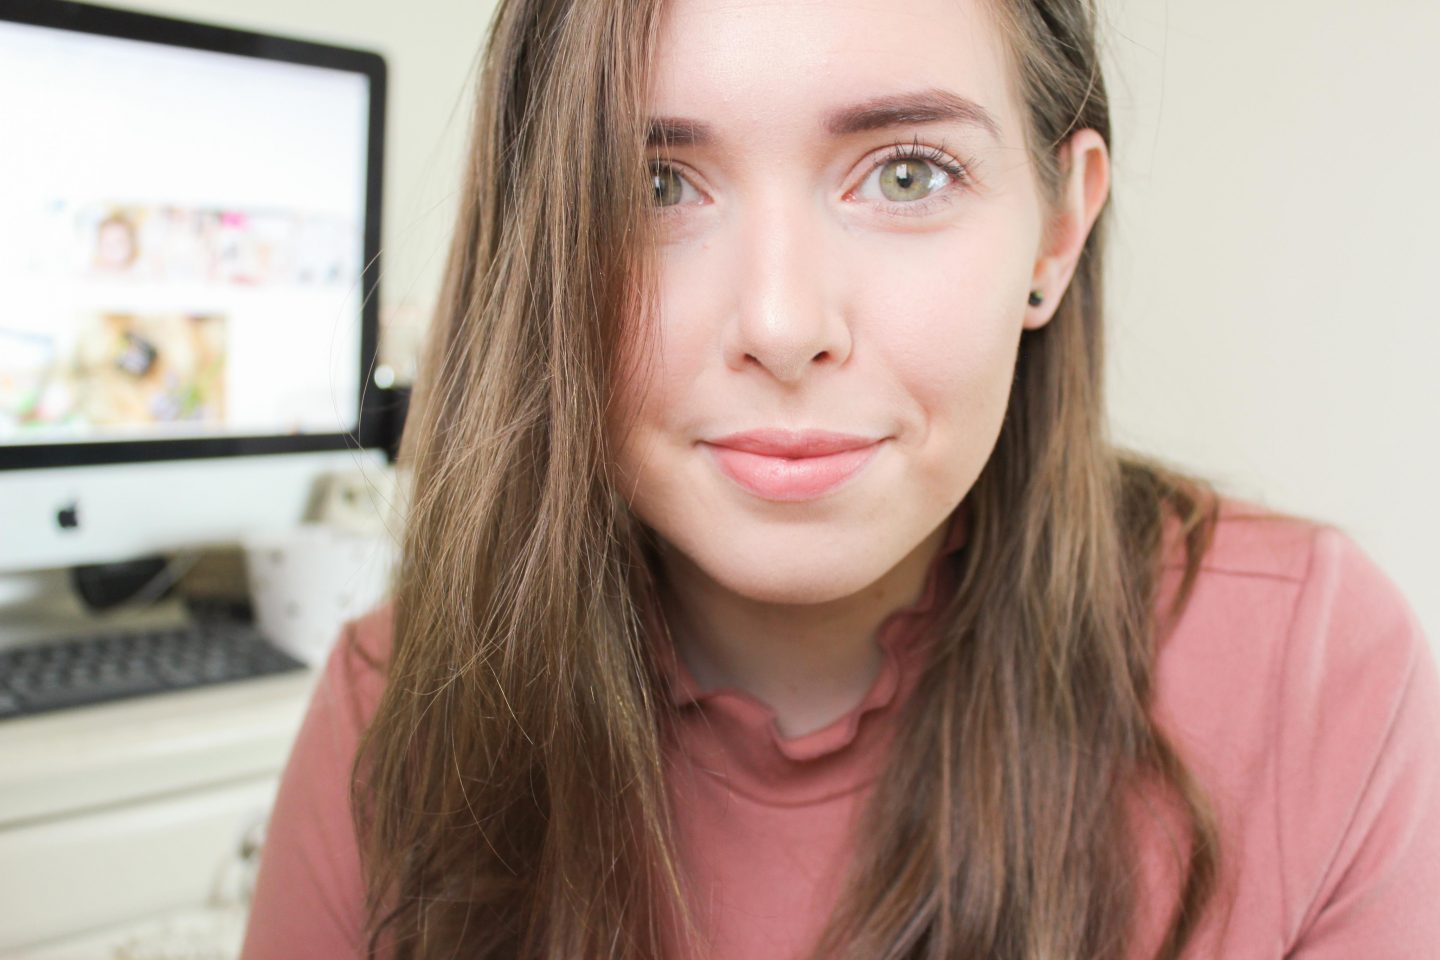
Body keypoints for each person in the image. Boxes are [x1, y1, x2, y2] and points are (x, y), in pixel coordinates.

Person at [239, 0, 1440, 957]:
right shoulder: (394, 715)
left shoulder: (1310, 671)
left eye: (908, 174)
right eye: (654, 186)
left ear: (1056, 231)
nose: (782, 323)